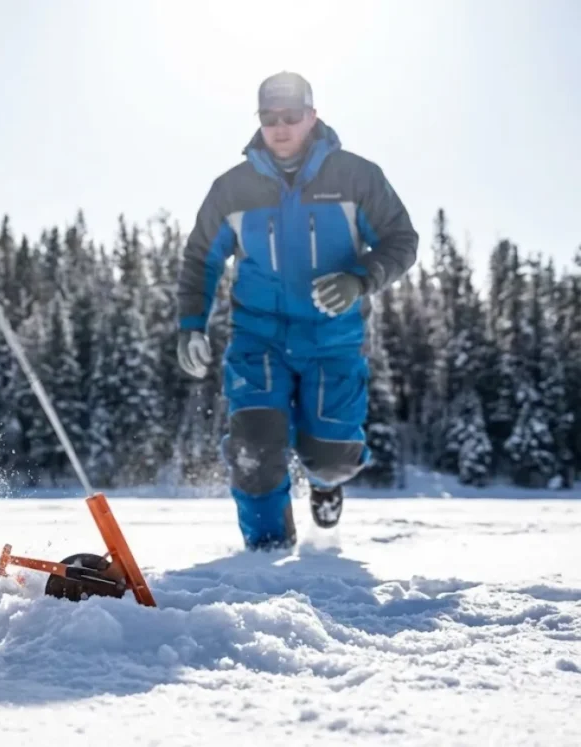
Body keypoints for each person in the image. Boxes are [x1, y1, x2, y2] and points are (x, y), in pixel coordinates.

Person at [176, 71, 418, 551]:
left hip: (333, 340)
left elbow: (401, 241)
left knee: (330, 455)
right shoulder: (233, 188)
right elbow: (201, 256)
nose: (280, 127)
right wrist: (190, 325)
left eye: (291, 117)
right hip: (258, 338)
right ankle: (266, 556)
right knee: (253, 449)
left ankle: (327, 483)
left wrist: (359, 280)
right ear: (259, 122)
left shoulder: (356, 176)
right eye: (270, 118)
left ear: (313, 116)